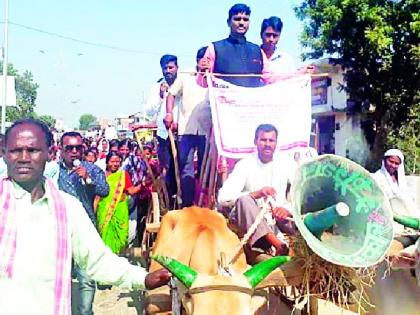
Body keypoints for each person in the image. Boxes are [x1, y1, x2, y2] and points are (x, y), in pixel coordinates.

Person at [0, 119, 170, 315]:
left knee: (85, 282)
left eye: (33, 150)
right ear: (4, 154)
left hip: (87, 225)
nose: (23, 158)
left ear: (49, 153)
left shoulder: (67, 207)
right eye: (15, 150)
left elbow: (97, 260)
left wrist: (143, 279)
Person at [217, 124, 295, 256]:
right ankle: (278, 246)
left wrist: (286, 210)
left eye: (271, 140)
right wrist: (256, 194)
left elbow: (300, 196)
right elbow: (223, 197)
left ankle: (280, 244)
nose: (267, 144)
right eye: (263, 140)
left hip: (281, 222)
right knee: (244, 200)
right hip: (254, 226)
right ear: (255, 141)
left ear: (276, 143)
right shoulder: (245, 164)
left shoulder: (287, 163)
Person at [56, 131, 110, 315]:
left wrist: (88, 179)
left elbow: (104, 191)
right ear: (61, 149)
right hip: (59, 230)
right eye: (69, 148)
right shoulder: (54, 171)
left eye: (78, 148)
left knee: (86, 277)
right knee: (58, 277)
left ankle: (85, 312)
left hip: (85, 230)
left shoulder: (92, 169)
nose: (74, 151)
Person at [164, 47, 211, 206]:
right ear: (198, 61)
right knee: (186, 168)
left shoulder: (216, 78)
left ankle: (205, 203)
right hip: (187, 130)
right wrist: (169, 114)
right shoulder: (185, 77)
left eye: (208, 59)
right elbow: (171, 94)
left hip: (207, 132)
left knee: (207, 169)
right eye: (203, 59)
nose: (205, 62)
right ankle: (188, 205)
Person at [198, 3, 267, 87]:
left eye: (245, 19)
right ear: (228, 22)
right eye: (237, 19)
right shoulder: (214, 48)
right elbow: (203, 84)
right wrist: (202, 71)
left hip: (253, 99)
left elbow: (271, 78)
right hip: (222, 99)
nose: (241, 23)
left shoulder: (258, 51)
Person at [145, 54, 180, 206]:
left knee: (182, 171)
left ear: (177, 68)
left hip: (182, 135)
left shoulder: (184, 83)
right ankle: (169, 202)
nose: (168, 71)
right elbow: (148, 112)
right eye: (165, 68)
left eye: (171, 67)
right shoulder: (158, 86)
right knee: (166, 171)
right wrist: (160, 96)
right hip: (164, 136)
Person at [96, 152, 142, 254]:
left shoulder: (123, 175)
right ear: (107, 162)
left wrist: (142, 185)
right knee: (104, 238)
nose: (115, 164)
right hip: (104, 211)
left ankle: (118, 258)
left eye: (117, 161)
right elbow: (97, 196)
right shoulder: (101, 175)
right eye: (112, 161)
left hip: (120, 212)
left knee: (120, 239)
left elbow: (130, 191)